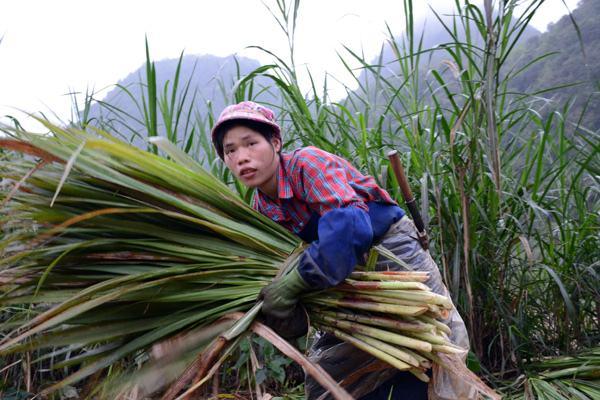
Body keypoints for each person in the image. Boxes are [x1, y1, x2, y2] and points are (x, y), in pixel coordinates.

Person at [211, 101, 470, 400]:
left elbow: (350, 225)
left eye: (251, 143)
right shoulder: (262, 209)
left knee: (434, 341)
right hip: (342, 270)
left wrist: (298, 280)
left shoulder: (307, 165)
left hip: (389, 249)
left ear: (275, 142)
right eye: (230, 151)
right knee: (333, 376)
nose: (241, 157)